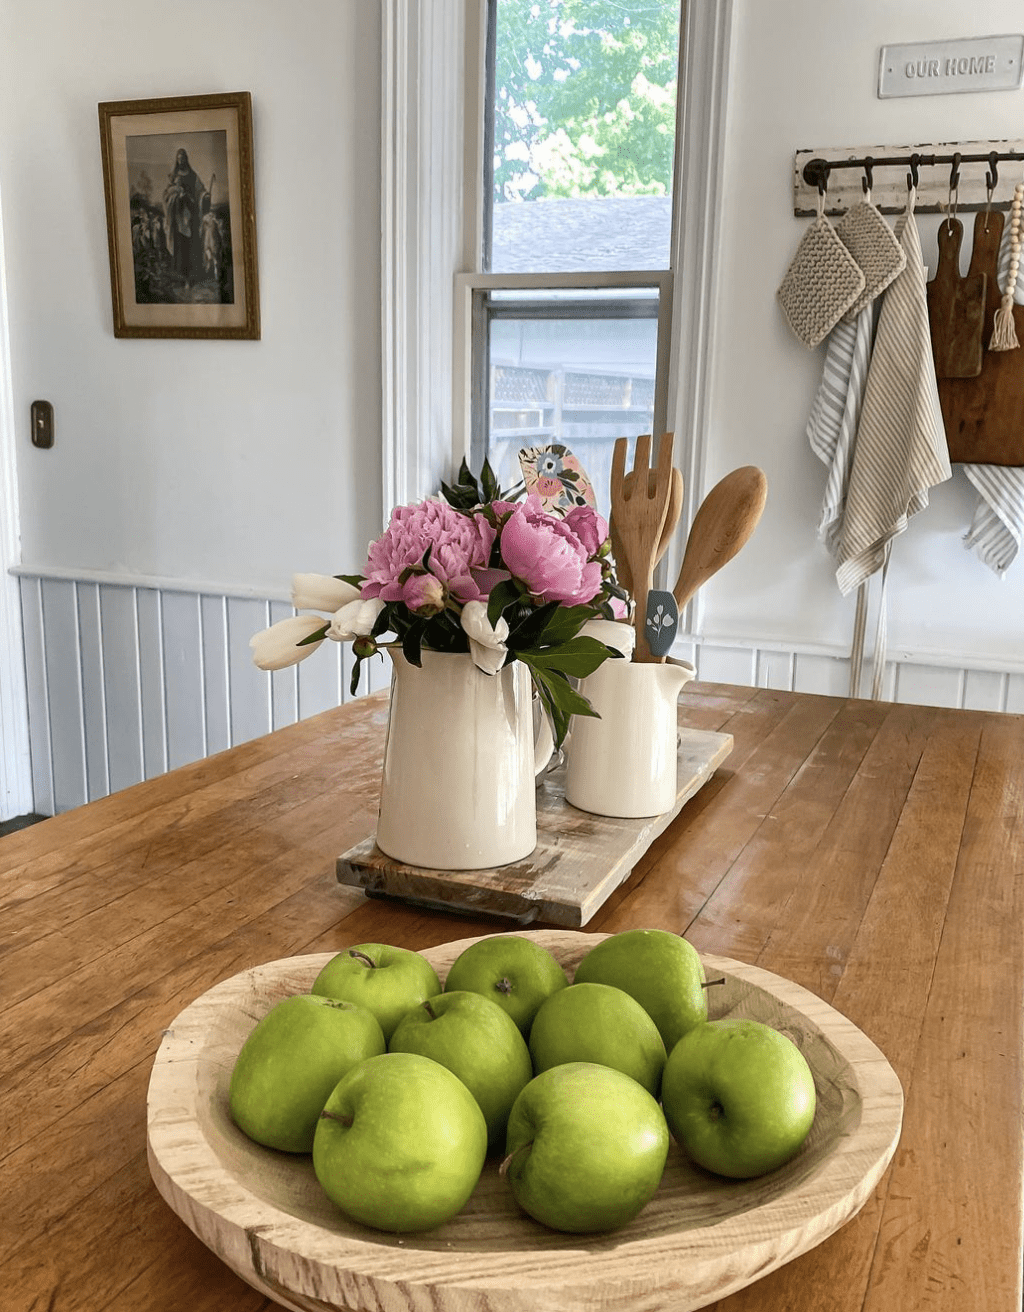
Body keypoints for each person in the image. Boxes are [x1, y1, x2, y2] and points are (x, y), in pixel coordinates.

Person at [162, 148, 210, 289]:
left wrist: (204, 196)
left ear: (186, 159)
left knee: (191, 248)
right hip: (178, 216)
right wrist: (176, 196)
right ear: (177, 160)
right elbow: (167, 194)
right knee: (181, 248)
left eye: (183, 157)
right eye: (179, 158)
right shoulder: (174, 176)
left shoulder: (193, 175)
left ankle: (190, 278)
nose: (181, 160)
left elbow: (200, 190)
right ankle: (181, 277)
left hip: (191, 215)